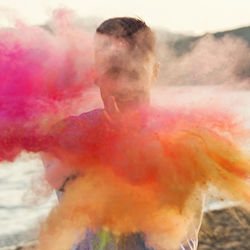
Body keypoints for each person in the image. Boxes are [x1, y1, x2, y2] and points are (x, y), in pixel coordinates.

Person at [42, 17, 203, 250]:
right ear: (95, 75)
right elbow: (65, 180)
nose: (124, 85)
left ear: (154, 72)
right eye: (113, 72)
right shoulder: (67, 136)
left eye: (135, 73)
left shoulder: (185, 135)